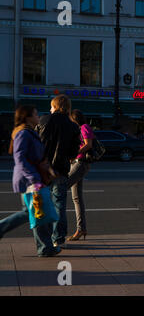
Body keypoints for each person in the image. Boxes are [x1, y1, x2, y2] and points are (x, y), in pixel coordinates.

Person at [0, 105, 60, 257]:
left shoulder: (29, 132)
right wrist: (34, 179)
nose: (38, 116)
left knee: (32, 212)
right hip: (30, 180)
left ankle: (45, 247)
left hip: (33, 178)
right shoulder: (23, 133)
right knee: (37, 212)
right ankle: (45, 248)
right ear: (27, 117)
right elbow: (19, 158)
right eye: (35, 114)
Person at [36, 95, 81, 249]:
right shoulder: (73, 126)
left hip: (42, 170)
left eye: (51, 106)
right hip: (61, 170)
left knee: (42, 205)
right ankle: (58, 239)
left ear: (55, 106)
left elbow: (35, 143)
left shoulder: (43, 120)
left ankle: (45, 240)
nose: (50, 109)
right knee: (59, 205)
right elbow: (74, 152)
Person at [67, 109, 94, 241]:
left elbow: (88, 144)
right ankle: (81, 229)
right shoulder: (78, 128)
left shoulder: (84, 127)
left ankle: (78, 229)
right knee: (76, 198)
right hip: (76, 162)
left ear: (74, 119)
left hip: (81, 163)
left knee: (61, 187)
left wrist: (75, 153)